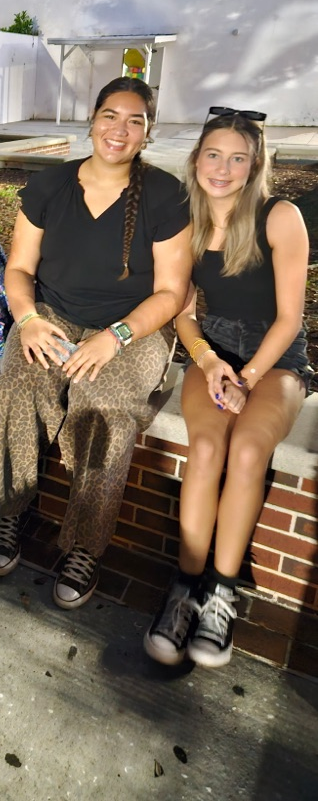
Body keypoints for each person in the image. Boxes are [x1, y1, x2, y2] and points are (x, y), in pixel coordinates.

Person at [0, 77, 191, 610]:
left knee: (103, 404)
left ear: (148, 132)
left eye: (135, 120)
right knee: (22, 380)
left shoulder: (165, 194)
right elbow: (20, 267)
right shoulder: (50, 187)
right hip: (52, 315)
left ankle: (84, 546)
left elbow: (171, 292)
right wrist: (26, 319)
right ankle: (10, 509)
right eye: (110, 116)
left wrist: (115, 338)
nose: (120, 129)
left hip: (134, 329)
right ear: (91, 121)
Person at [144, 108, 311, 668]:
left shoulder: (278, 216)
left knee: (245, 451)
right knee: (208, 447)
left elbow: (290, 318)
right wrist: (212, 363)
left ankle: (221, 591)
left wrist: (250, 378)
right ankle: (182, 590)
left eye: (238, 157)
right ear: (196, 159)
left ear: (255, 165)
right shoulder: (185, 220)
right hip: (214, 351)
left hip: (276, 359)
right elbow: (183, 313)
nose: (223, 167)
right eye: (213, 154)